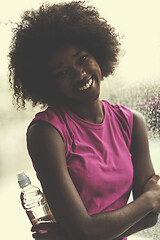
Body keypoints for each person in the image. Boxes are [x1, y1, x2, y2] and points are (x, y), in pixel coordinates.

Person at [9, 1, 160, 240]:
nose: (80, 74)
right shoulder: (47, 132)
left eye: (82, 59)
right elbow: (84, 230)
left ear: (98, 54)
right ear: (48, 83)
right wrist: (149, 199)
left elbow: (152, 217)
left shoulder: (131, 122)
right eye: (63, 72)